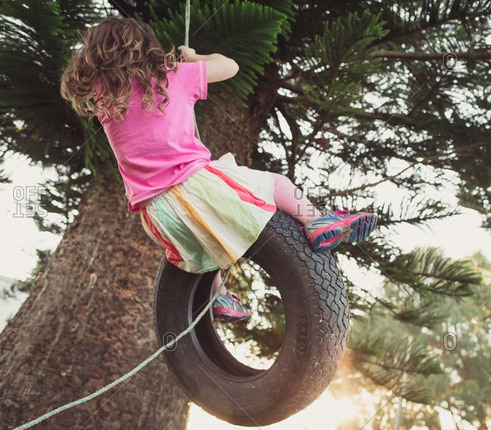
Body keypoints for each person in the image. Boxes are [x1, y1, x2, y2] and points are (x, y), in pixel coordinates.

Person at [60, 17, 377, 323]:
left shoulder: (103, 97)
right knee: (276, 183)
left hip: (156, 214)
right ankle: (317, 221)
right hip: (192, 187)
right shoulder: (170, 75)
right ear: (147, 49)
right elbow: (230, 66)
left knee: (205, 245)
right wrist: (195, 58)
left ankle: (218, 296)